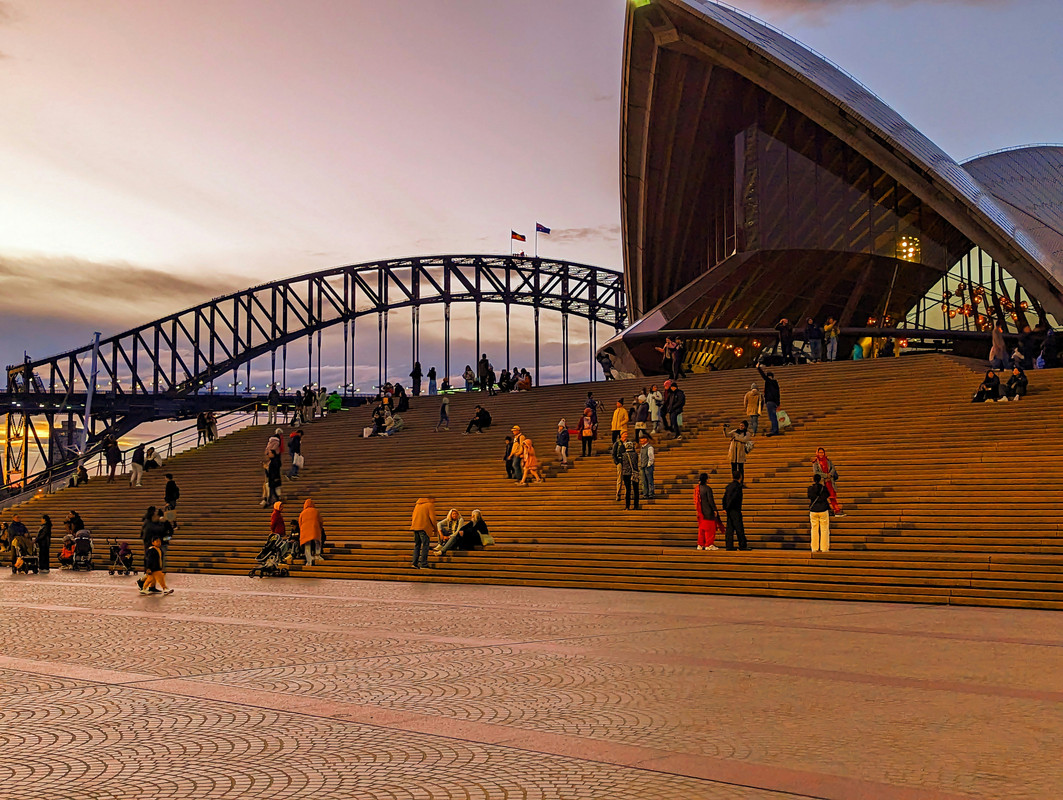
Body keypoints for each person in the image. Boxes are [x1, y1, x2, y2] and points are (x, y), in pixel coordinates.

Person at [812, 447, 845, 516]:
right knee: (824, 497)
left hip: (830, 481)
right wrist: (825, 476)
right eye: (820, 452)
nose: (821, 454)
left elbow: (833, 468)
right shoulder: (815, 462)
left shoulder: (828, 461)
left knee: (832, 496)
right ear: (817, 453)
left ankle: (837, 510)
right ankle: (828, 510)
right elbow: (816, 472)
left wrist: (830, 475)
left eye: (822, 452)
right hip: (822, 482)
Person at [695, 473, 721, 551]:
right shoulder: (708, 488)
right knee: (710, 529)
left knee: (701, 529)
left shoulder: (697, 488)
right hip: (708, 511)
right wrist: (714, 509)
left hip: (701, 511)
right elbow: (710, 500)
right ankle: (709, 544)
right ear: (706, 480)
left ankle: (700, 544)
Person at [410, 497, 437, 569]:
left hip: (415, 527)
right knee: (425, 546)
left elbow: (413, 516)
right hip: (424, 528)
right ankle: (423, 563)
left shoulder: (417, 505)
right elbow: (432, 518)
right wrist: (435, 528)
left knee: (417, 545)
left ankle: (414, 563)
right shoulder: (429, 505)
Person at [722, 479, 748, 551]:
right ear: (740, 477)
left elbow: (724, 498)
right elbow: (733, 498)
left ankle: (729, 545)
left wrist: (725, 508)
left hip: (729, 510)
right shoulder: (737, 487)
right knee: (739, 527)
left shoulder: (729, 486)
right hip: (735, 509)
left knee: (730, 528)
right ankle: (742, 545)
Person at [808, 474, 831, 553]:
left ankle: (814, 547)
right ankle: (824, 548)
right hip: (823, 509)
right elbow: (828, 495)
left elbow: (809, 496)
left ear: (813, 479)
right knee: (824, 529)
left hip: (813, 510)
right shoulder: (824, 489)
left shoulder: (810, 489)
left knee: (814, 529)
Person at [756, 365, 782, 436]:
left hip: (770, 401)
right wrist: (778, 403)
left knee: (772, 416)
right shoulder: (775, 383)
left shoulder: (768, 381)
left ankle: (774, 430)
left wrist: (758, 368)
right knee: (773, 416)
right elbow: (778, 394)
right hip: (774, 402)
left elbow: (763, 376)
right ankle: (774, 429)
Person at [298, 498, 325, 565]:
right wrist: (320, 528)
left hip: (305, 532)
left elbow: (300, 523)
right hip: (315, 530)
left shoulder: (302, 513)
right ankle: (317, 555)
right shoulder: (316, 511)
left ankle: (309, 561)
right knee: (317, 543)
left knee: (307, 546)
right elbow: (321, 521)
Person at [621, 441, 640, 510]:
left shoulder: (623, 455)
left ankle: (627, 506)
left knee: (628, 490)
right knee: (636, 490)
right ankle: (636, 505)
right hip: (634, 473)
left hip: (626, 473)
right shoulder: (635, 454)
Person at [611, 429, 629, 500]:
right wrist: (617, 462)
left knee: (627, 478)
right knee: (619, 479)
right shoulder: (617, 443)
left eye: (626, 434)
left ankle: (626, 494)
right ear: (621, 435)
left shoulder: (629, 443)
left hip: (627, 462)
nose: (626, 435)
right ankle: (618, 493)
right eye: (625, 434)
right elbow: (614, 453)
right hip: (620, 461)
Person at [638, 433, 655, 499]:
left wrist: (649, 464)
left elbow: (651, 457)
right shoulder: (642, 448)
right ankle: (645, 494)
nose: (641, 441)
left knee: (649, 480)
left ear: (646, 439)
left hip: (648, 467)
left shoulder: (649, 447)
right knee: (643, 481)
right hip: (642, 466)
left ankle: (651, 493)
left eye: (642, 439)